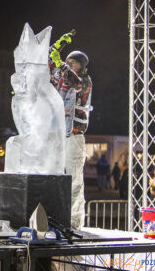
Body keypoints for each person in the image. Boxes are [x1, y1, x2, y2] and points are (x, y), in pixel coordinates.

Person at [49, 32, 93, 230]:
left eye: (71, 62)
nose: (67, 65)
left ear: (81, 67)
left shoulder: (84, 81)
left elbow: (72, 80)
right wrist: (57, 46)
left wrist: (62, 64)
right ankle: (56, 219)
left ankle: (75, 223)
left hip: (74, 136)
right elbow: (51, 64)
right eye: (67, 62)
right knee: (55, 178)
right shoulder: (62, 80)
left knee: (74, 180)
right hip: (59, 135)